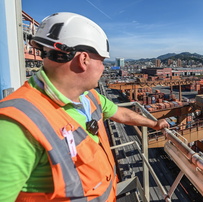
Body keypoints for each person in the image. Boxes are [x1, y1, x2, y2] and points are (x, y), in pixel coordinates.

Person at [0, 12, 170, 201]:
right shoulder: (15, 125)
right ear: (83, 60)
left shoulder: (89, 97)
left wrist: (152, 124)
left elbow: (120, 113)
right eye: (102, 61)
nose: (104, 68)